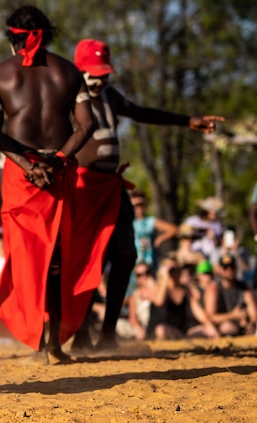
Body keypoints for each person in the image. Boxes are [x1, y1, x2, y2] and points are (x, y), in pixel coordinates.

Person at [69, 38, 223, 351]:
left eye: (105, 73)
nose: (101, 80)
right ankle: (82, 331)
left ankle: (108, 335)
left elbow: (141, 113)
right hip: (83, 190)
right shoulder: (68, 98)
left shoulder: (111, 96)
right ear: (79, 70)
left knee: (125, 255)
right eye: (95, 73)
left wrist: (187, 120)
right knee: (89, 262)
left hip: (113, 187)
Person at [0, 5, 95, 364]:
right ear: (46, 34)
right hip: (59, 169)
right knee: (58, 257)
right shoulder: (70, 72)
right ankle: (54, 345)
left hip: (22, 173)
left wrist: (27, 165)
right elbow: (86, 127)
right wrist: (57, 161)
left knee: (28, 258)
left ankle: (37, 341)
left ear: (12, 38)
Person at [203, 254, 257, 336]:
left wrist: (250, 323)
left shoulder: (244, 288)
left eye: (232, 267)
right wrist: (233, 315)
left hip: (241, 326)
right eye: (225, 268)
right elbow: (209, 317)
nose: (229, 270)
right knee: (227, 327)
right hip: (221, 329)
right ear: (220, 270)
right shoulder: (214, 288)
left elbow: (254, 314)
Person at [130, 190, 179, 269]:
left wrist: (160, 238)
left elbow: (174, 229)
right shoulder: (128, 223)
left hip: (150, 263)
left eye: (141, 205)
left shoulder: (150, 221)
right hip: (133, 265)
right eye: (135, 206)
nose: (138, 208)